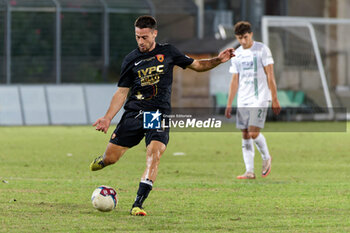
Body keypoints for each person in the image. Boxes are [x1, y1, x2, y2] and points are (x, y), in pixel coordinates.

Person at [90, 15, 235, 216]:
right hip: (134, 113)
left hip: (157, 114)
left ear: (154, 34)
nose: (140, 41)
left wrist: (218, 60)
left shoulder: (168, 52)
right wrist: (107, 117)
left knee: (154, 153)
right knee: (111, 158)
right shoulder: (131, 59)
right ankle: (103, 160)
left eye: (144, 37)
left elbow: (198, 65)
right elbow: (122, 92)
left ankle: (138, 204)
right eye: (137, 37)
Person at [225, 21, 281, 179]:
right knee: (245, 134)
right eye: (239, 38)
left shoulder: (262, 49)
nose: (243, 41)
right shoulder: (237, 54)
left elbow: (270, 75)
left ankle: (266, 157)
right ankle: (249, 171)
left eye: (245, 37)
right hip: (243, 99)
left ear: (251, 34)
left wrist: (274, 98)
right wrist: (229, 103)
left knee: (253, 132)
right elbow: (234, 80)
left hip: (260, 98)